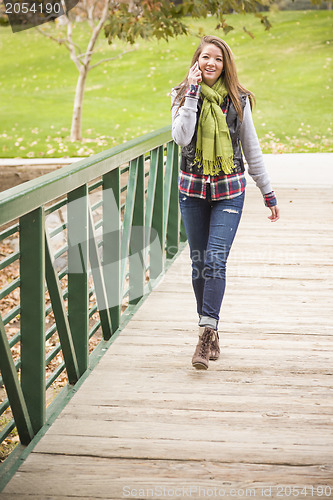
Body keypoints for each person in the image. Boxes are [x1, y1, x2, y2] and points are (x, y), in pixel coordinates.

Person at [171, 35, 280, 370]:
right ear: (197, 60)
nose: (211, 64)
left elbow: (251, 148)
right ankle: (210, 324)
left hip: (229, 190)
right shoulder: (180, 94)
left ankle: (206, 333)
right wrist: (191, 94)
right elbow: (180, 137)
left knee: (215, 259)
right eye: (205, 57)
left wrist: (268, 192)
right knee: (198, 262)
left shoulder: (239, 99)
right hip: (192, 190)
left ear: (225, 64)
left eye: (218, 59)